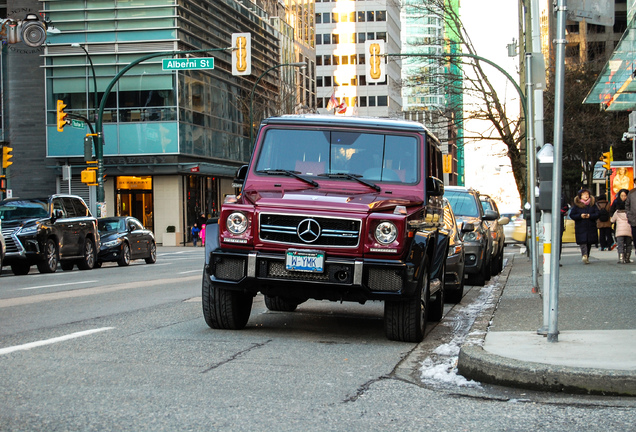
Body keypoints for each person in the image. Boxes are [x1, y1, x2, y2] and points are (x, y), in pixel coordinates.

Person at [569, 188, 599, 264]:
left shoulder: (592, 205)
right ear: (580, 196)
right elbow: (572, 215)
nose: (586, 196)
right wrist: (580, 216)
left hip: (590, 227)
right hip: (580, 227)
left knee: (589, 243)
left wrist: (590, 216)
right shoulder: (577, 206)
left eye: (587, 194)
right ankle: (584, 255)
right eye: (584, 194)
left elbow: (597, 214)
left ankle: (587, 255)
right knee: (583, 242)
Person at [610, 199, 632, 263]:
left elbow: (612, 220)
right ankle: (627, 258)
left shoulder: (617, 213)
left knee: (620, 245)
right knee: (628, 244)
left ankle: (621, 258)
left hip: (619, 232)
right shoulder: (629, 212)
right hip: (628, 231)